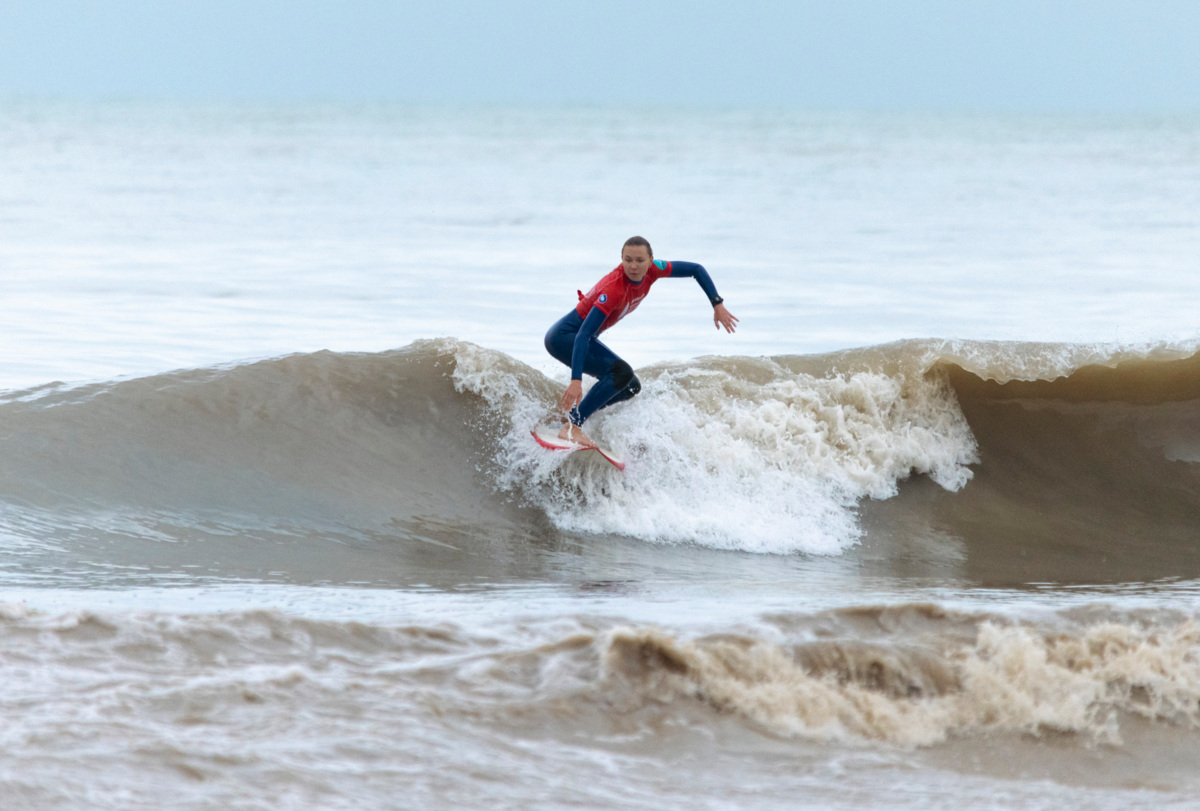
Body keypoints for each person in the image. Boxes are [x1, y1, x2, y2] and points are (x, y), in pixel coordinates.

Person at [543, 236, 738, 447]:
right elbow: (582, 335)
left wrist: (716, 303)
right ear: (621, 260)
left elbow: (696, 269)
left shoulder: (654, 270)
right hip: (565, 338)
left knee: (631, 386)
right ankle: (573, 426)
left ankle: (572, 418)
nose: (633, 266)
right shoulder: (614, 289)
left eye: (639, 260)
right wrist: (576, 381)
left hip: (579, 338)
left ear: (651, 260)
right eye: (628, 260)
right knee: (621, 372)